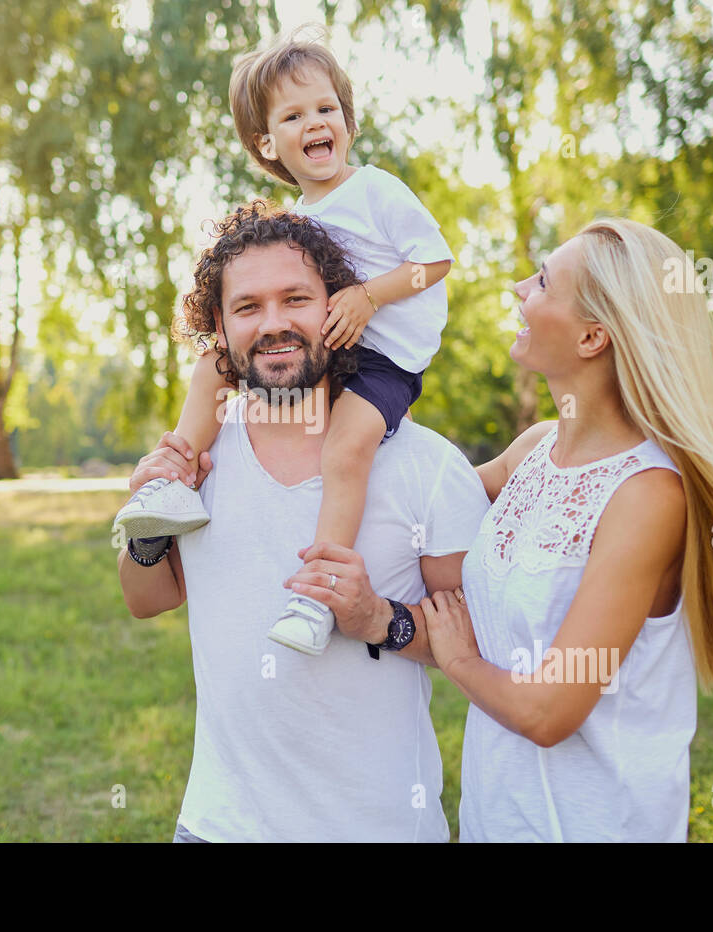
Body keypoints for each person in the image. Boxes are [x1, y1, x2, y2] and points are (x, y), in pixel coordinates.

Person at [418, 218, 713, 842]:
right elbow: (422, 505)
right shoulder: (533, 449)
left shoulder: (647, 496)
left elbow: (547, 711)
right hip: (498, 821)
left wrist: (455, 657)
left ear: (593, 336)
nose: (518, 288)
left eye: (541, 281)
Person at [116, 202, 488, 842]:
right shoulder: (198, 459)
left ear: (336, 307)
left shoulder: (425, 464)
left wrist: (379, 618)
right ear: (219, 326)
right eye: (247, 307)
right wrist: (147, 530)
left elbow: (482, 641)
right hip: (218, 826)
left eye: (296, 299)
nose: (274, 324)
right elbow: (146, 600)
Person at [114, 26, 455, 656]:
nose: (316, 122)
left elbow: (434, 263)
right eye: (294, 115)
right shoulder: (300, 220)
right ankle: (175, 469)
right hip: (337, 344)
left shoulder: (375, 189)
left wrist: (368, 296)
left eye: (327, 108)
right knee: (217, 362)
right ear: (267, 144)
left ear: (348, 123)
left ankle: (318, 591)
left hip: (388, 360)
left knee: (346, 449)